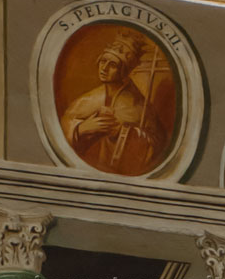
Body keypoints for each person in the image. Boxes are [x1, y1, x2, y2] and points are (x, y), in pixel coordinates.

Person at [60, 30, 169, 176]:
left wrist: (123, 133)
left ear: (123, 70)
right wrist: (80, 129)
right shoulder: (87, 99)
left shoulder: (140, 106)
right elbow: (62, 131)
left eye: (112, 65)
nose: (104, 68)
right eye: (103, 61)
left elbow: (157, 144)